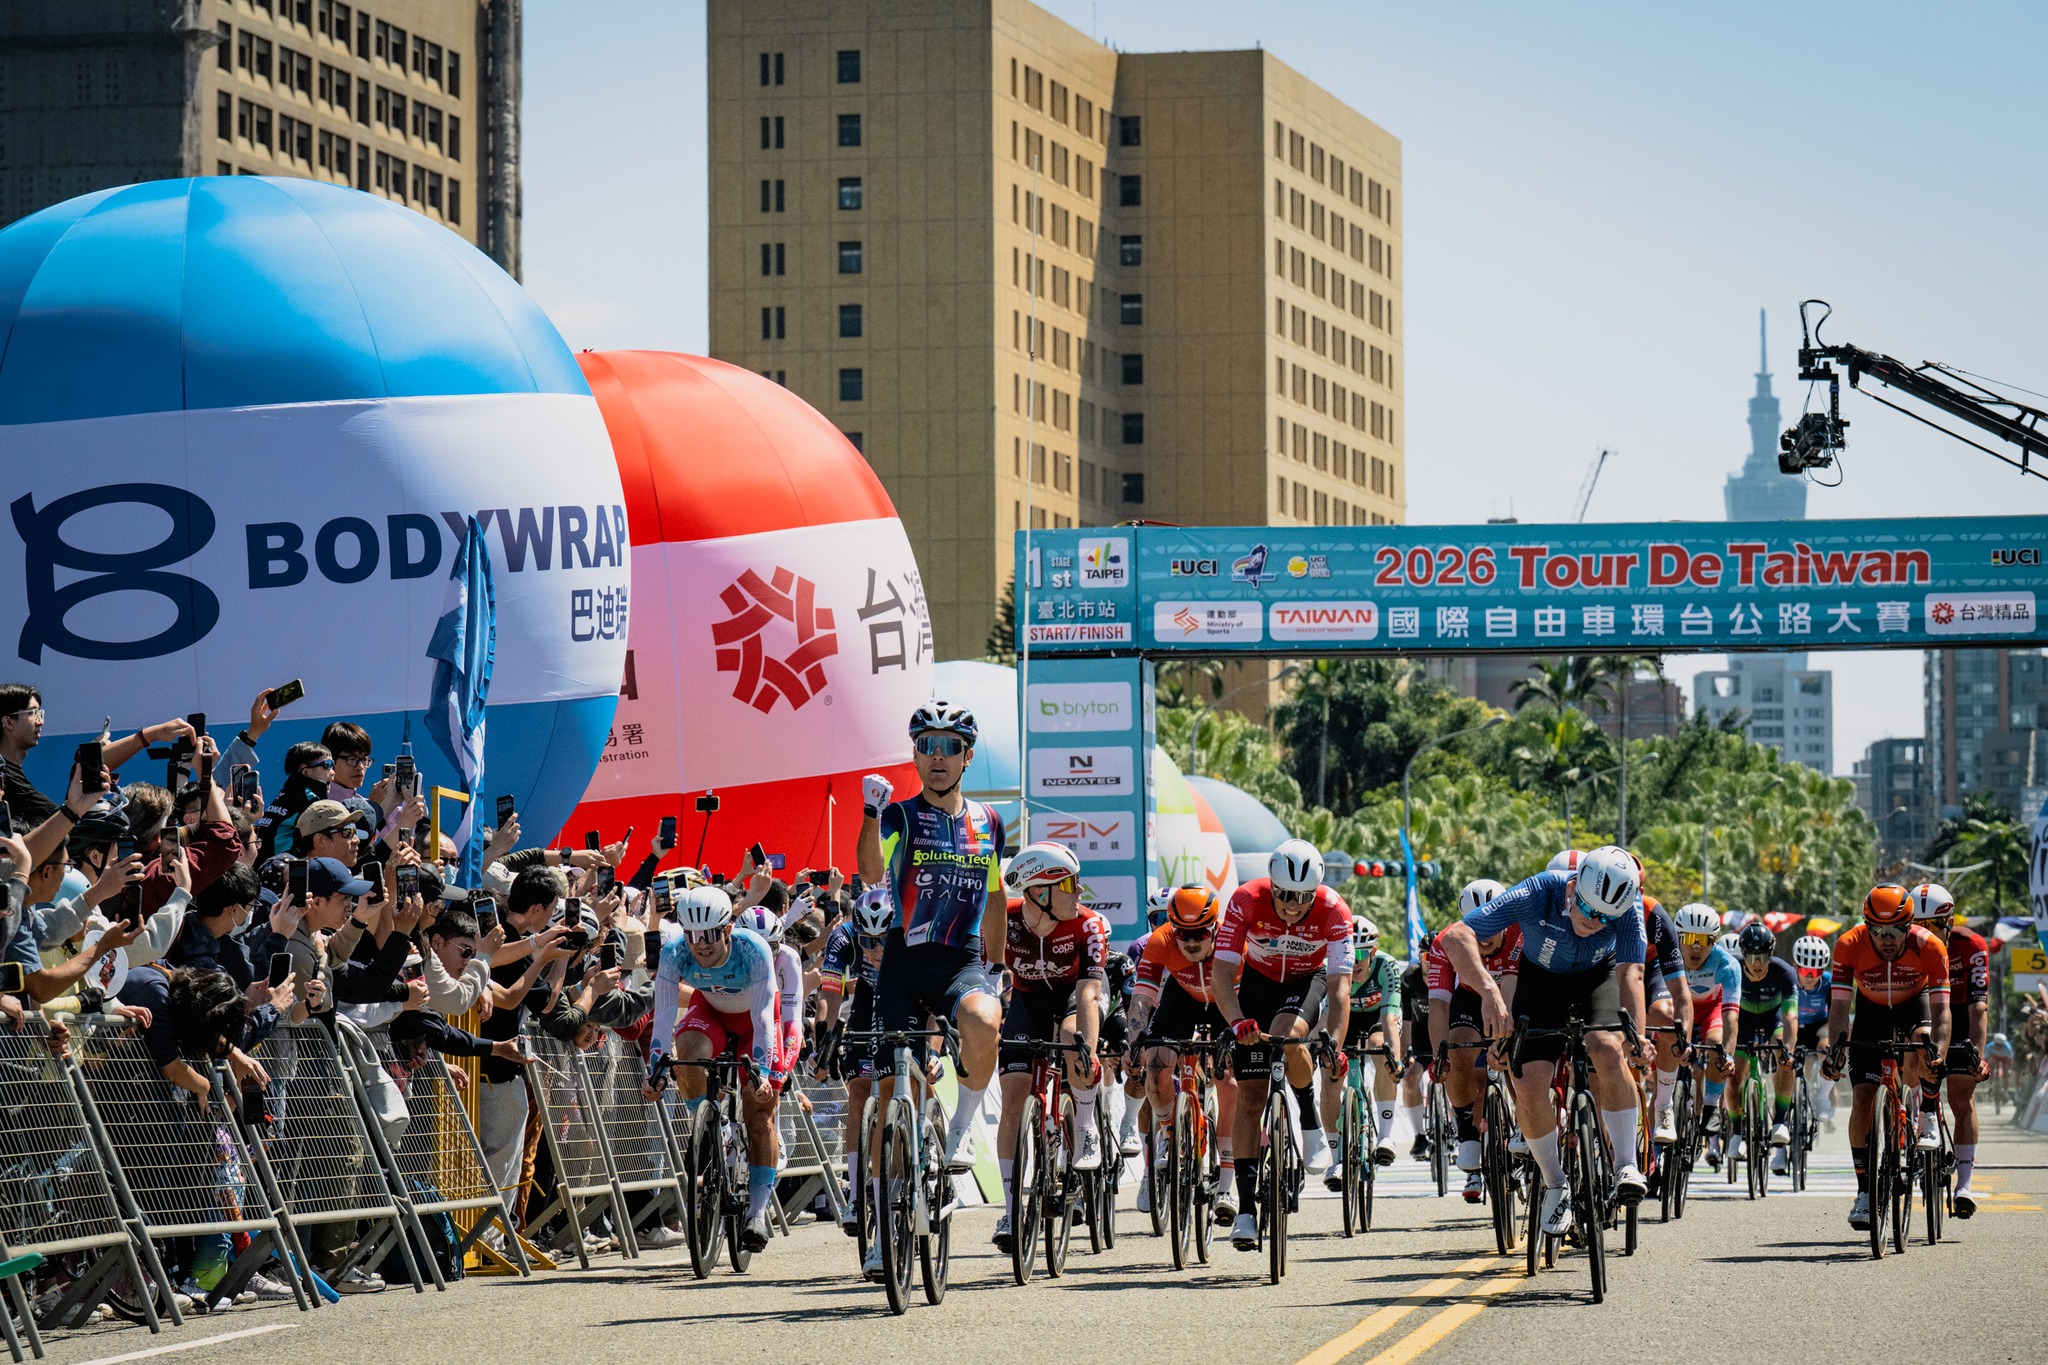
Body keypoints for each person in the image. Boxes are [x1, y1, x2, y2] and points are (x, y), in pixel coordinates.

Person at [1438, 844, 1651, 1238]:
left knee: (1608, 1047)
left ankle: (1625, 1164)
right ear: (1573, 890)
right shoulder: (1541, 891)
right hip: (1540, 982)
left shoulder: (1630, 908)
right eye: (1588, 910)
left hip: (1596, 979)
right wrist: (1488, 993)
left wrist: (1635, 1036)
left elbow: (1630, 975)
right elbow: (1456, 936)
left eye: (1606, 918)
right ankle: (1555, 1183)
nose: (1594, 922)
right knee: (1529, 1079)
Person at [856, 701, 1004, 1178]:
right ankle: (884, 1220)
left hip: (960, 960)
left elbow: (997, 897)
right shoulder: (899, 815)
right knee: (893, 1097)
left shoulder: (991, 822)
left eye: (950, 747)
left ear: (968, 757)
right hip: (903, 964)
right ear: (916, 757)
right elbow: (871, 874)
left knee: (985, 1021)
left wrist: (998, 968)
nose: (938, 757)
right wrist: (870, 816)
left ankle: (962, 1124)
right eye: (927, 746)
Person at [1211, 838, 1352, 1251]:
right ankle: (1245, 1211)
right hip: (1256, 984)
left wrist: (1336, 1046)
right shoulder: (1245, 900)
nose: (1292, 906)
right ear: (1271, 886)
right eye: (1285, 896)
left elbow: (1340, 990)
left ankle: (1308, 1116)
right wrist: (1237, 1023)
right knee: (1250, 1098)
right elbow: (1221, 976)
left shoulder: (1334, 910)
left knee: (1290, 1035)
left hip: (1304, 982)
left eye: (1301, 898)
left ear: (1315, 893)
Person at [648, 885, 790, 1255]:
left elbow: (762, 1019)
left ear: (727, 930)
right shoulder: (675, 953)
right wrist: (657, 1070)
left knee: (760, 1114)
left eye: (709, 934)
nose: (701, 944)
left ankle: (757, 1211)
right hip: (710, 1010)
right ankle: (712, 1127)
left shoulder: (752, 950)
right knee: (688, 1050)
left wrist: (759, 1072)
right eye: (692, 935)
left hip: (753, 1021)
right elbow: (663, 1016)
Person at [991, 842, 1108, 1252]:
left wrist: (1087, 1053)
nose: (1080, 892)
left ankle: (1086, 1124)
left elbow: (1091, 993)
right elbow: (986, 974)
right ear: (1040, 892)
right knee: (1012, 1098)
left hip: (1075, 998)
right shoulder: (1005, 921)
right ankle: (1010, 1208)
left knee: (1071, 1040)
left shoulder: (1087, 925)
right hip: (1027, 1001)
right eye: (1071, 883)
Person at [1825, 884, 1951, 1231]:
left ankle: (1926, 1112)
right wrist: (1837, 1047)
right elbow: (1838, 1006)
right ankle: (1865, 1192)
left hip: (1915, 1004)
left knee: (1924, 1043)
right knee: (1863, 1099)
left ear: (1910, 925)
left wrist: (1939, 1049)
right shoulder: (1849, 944)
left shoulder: (1930, 946)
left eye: (1896, 930)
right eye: (1878, 931)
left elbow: (1942, 1011)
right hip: (1870, 1012)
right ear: (1867, 926)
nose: (1887, 939)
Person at [1126, 885, 1240, 1220]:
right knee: (1156, 1063)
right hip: (1184, 998)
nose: (1190, 942)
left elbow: (1251, 997)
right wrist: (1136, 1040)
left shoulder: (1236, 941)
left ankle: (1228, 1184)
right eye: (1183, 933)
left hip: (1227, 1001)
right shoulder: (1162, 940)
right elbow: (1143, 998)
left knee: (1229, 1077)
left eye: (1200, 933)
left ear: (1216, 926)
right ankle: (1170, 1134)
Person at [1425, 881, 1518, 1200]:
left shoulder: (1522, 932)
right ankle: (1468, 1133)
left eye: (1494, 926)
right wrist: (1441, 1057)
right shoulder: (1445, 943)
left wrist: (1503, 1038)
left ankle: (1524, 1124)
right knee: (1457, 1048)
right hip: (1469, 1002)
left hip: (1515, 996)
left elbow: (1513, 992)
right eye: (1477, 928)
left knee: (1519, 1058)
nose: (1485, 936)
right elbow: (1438, 1005)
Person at [815, 889, 893, 1238]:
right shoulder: (843, 936)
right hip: (865, 1004)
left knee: (918, 1080)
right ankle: (858, 1193)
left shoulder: (911, 932)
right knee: (859, 1094)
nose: (875, 950)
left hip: (906, 996)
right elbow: (830, 991)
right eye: (868, 941)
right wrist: (828, 1039)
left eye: (883, 940)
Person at [1910, 882, 1989, 1215]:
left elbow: (1978, 1007)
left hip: (1960, 1012)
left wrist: (1977, 1057)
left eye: (1935, 927)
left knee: (1960, 1094)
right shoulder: (1905, 947)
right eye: (1919, 927)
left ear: (1949, 922)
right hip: (1924, 1012)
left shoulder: (1971, 945)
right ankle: (1909, 1127)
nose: (1927, 934)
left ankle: (1964, 1184)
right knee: (1912, 1075)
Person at [1327, 915, 1408, 1189]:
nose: (1356, 960)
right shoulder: (1333, 967)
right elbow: (1324, 1019)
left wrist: (1394, 1060)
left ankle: (1385, 1136)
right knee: (1330, 1072)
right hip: (1344, 1019)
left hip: (1376, 1018)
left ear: (1373, 952)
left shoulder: (1387, 966)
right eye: (1351, 952)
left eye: (1363, 953)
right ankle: (1337, 1158)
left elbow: (1390, 1020)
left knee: (1380, 1049)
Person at [1729, 920, 1799, 1175]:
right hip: (1743, 1020)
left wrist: (1788, 1052)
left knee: (1783, 1052)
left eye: (1762, 957)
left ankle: (1779, 1121)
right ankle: (1737, 1132)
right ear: (1743, 955)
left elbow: (1791, 1017)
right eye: (1751, 957)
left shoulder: (1784, 973)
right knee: (1734, 1071)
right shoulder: (1733, 970)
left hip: (1774, 1019)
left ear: (1771, 955)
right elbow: (1726, 1014)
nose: (1757, 964)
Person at [1674, 902, 1740, 1160]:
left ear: (1714, 941)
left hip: (1711, 1009)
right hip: (1680, 1008)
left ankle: (1711, 1106)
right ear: (1679, 938)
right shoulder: (1669, 956)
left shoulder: (1728, 965)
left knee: (1716, 1044)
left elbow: (1731, 1018)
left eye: (1704, 940)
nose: (1696, 946)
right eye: (1689, 939)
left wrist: (1729, 1058)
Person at [1791, 934, 1836, 1127]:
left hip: (1818, 1025)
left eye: (1816, 971)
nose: (1810, 977)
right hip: (1792, 1024)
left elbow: (1835, 1015)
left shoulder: (1828, 982)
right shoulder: (1787, 978)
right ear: (1795, 967)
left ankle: (1822, 1097)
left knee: (1827, 1051)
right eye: (1805, 970)